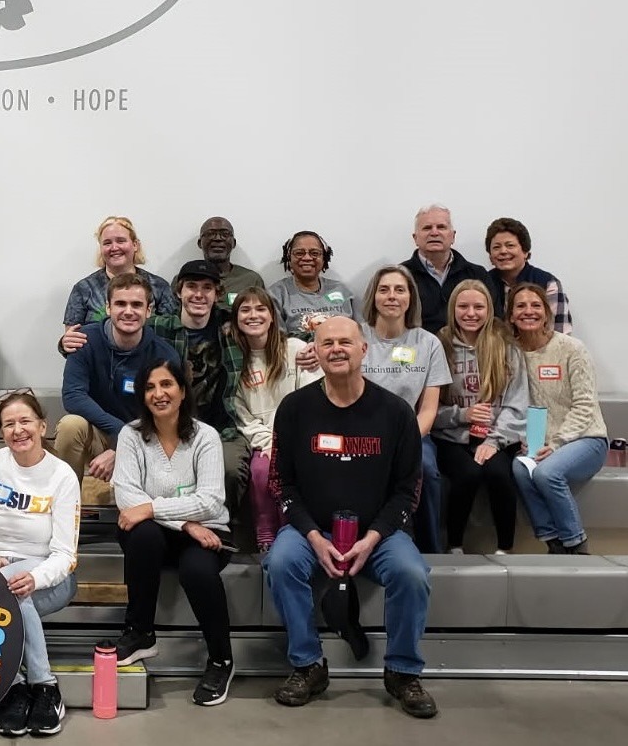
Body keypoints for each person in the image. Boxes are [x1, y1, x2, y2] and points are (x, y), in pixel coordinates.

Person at [265, 317, 436, 719]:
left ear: (364, 350)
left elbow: (408, 490)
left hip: (379, 532)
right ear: (316, 353)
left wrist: (373, 537)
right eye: (327, 343)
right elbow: (280, 482)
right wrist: (312, 536)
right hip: (313, 530)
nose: (336, 349)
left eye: (346, 341)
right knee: (280, 562)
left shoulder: (396, 413)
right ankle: (308, 665)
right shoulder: (294, 408)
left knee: (412, 574)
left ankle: (402, 671)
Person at [113, 358, 235, 707]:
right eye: (150, 387)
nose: (158, 393)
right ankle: (139, 632)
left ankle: (221, 660)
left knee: (197, 571)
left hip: (208, 532)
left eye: (167, 385)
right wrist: (185, 523)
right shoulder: (131, 435)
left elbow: (211, 500)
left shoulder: (205, 436)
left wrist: (153, 508)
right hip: (167, 534)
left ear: (182, 391)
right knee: (143, 534)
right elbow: (127, 496)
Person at [0, 390, 79, 736]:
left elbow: (65, 555)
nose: (18, 430)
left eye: (25, 421)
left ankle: (28, 686)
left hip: (49, 577)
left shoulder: (62, 476)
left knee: (11, 591)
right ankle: (33, 689)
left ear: (42, 426)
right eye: (9, 424)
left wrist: (34, 576)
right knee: (7, 590)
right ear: (1, 431)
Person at [53, 272, 181, 488]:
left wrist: (124, 444)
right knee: (70, 426)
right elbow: (73, 396)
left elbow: (167, 417)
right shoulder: (84, 339)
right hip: (100, 433)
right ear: (108, 308)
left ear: (148, 310)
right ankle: (66, 503)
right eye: (120, 304)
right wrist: (120, 432)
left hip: (146, 438)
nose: (128, 311)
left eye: (137, 305)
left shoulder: (164, 355)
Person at [357, 267, 451, 554]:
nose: (392, 296)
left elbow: (429, 409)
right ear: (374, 297)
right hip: (359, 431)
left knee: (426, 470)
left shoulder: (428, 343)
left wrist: (403, 442)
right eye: (384, 289)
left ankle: (430, 550)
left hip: (411, 435)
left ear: (411, 298)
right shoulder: (356, 336)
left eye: (400, 290)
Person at [508, 283, 606, 553]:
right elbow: (513, 405)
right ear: (511, 316)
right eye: (521, 306)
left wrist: (558, 442)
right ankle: (554, 543)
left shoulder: (571, 348)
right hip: (540, 440)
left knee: (547, 473)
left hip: (586, 438)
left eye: (536, 305)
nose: (529, 311)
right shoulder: (510, 353)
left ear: (547, 312)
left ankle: (577, 543)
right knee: (520, 468)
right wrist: (525, 440)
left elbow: (586, 404)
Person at [432, 280, 528, 554]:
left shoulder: (506, 346)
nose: (470, 313)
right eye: (463, 306)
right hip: (451, 437)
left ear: (489, 310)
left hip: (495, 437)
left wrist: (495, 441)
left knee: (500, 475)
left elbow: (518, 403)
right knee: (467, 475)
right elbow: (428, 408)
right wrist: (462, 414)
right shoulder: (440, 345)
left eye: (478, 306)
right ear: (452, 309)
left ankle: (505, 549)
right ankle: (455, 546)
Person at [151, 261, 249, 524]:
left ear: (217, 294)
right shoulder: (159, 328)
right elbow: (114, 329)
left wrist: (309, 346)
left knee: (229, 470)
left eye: (207, 288)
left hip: (223, 428)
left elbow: (274, 331)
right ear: (178, 292)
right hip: (172, 428)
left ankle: (223, 529)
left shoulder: (232, 326)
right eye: (191, 286)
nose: (198, 294)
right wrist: (67, 342)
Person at [228, 287, 319, 553]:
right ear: (236, 319)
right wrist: (268, 442)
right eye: (245, 310)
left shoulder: (296, 349)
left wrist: (287, 440)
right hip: (262, 440)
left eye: (260, 309)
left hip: (298, 436)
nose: (253, 315)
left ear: (272, 316)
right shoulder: (235, 360)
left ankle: (291, 530)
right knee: (260, 472)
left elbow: (310, 400)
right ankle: (265, 533)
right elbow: (241, 414)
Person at [59, 216, 175, 355]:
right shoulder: (83, 289)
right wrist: (64, 344)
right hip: (97, 368)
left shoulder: (159, 286)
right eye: (107, 243)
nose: (114, 248)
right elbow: (73, 342)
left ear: (135, 245)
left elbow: (172, 336)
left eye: (121, 241)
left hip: (148, 368)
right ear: (101, 248)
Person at [400, 205, 493, 336]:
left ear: (453, 236)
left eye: (441, 227)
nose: (434, 232)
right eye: (427, 228)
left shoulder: (477, 274)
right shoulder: (400, 276)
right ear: (415, 238)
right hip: (418, 351)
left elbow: (494, 320)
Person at [486, 217, 574, 334]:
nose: (503, 251)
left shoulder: (548, 283)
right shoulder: (484, 282)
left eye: (510, 245)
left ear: (525, 251)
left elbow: (561, 334)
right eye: (496, 247)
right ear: (491, 257)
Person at [267, 231, 356, 341]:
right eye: (299, 253)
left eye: (315, 253)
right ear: (289, 258)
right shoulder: (277, 294)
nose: (307, 258)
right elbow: (277, 342)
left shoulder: (342, 290)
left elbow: (357, 334)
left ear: (324, 258)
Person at [197, 216, 264, 305]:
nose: (218, 238)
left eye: (225, 234)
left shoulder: (251, 280)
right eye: (210, 234)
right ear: (199, 243)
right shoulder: (186, 279)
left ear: (234, 243)